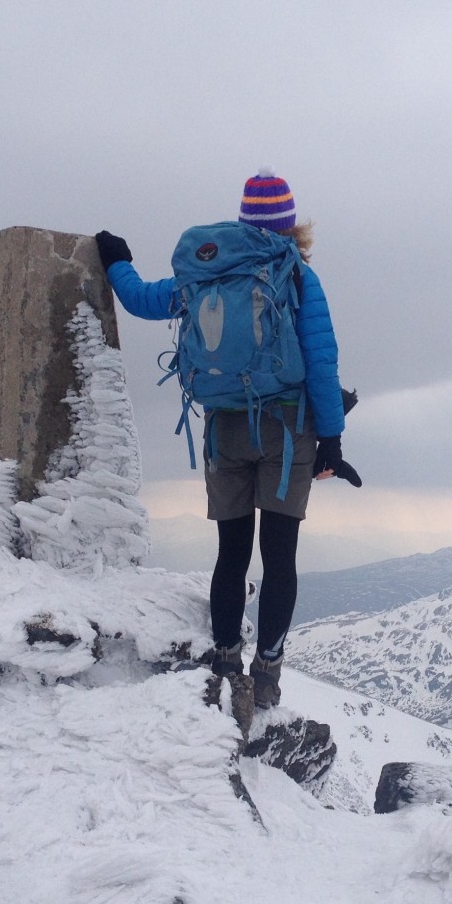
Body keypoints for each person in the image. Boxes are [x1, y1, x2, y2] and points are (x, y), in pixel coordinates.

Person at [95, 169, 360, 714]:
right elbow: (321, 360)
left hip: (224, 429)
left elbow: (144, 300)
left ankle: (223, 663)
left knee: (231, 555)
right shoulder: (296, 277)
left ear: (242, 218)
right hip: (287, 432)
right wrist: (330, 440)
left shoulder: (206, 273)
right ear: (291, 225)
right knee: (278, 557)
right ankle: (267, 675)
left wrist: (115, 259)